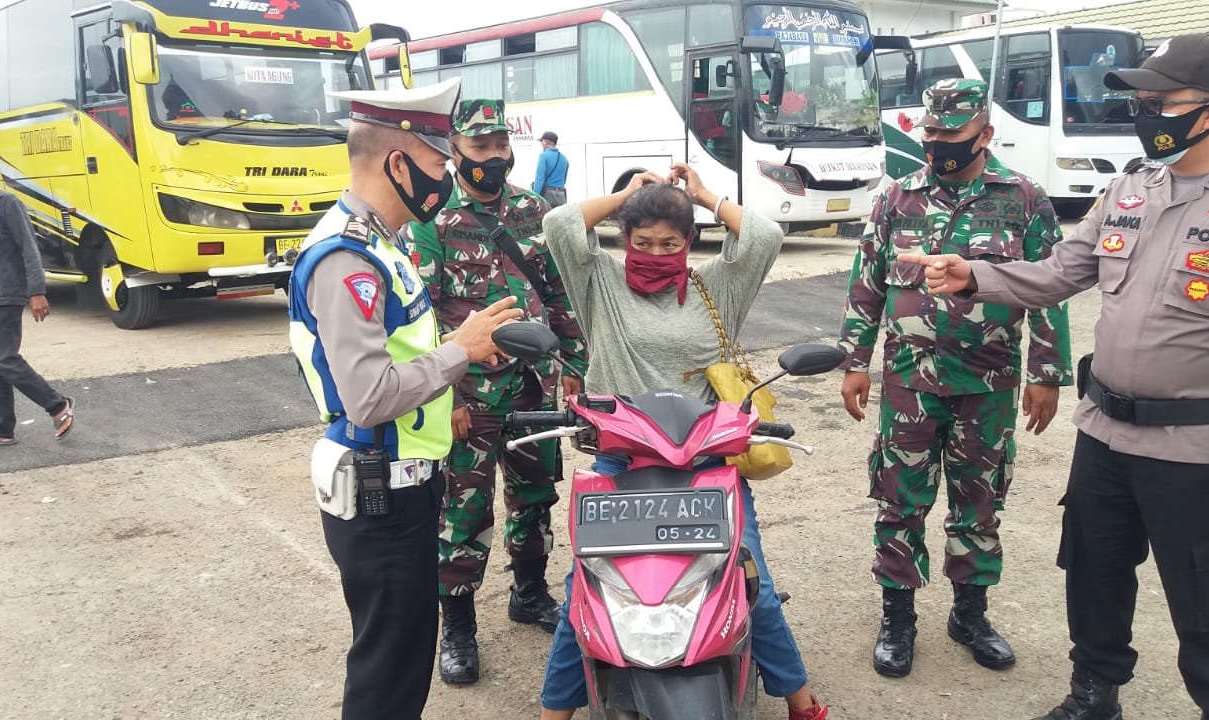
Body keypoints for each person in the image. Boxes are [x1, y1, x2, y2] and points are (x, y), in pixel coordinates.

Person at [900, 35, 1209, 720]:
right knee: (1094, 574)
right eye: (1142, 101)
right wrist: (974, 275)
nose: (1144, 114)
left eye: (1159, 102)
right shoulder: (1130, 189)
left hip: (1197, 452)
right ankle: (1094, 693)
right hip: (1104, 436)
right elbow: (1059, 274)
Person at [537, 164, 830, 720]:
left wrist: (703, 195)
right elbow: (558, 224)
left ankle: (799, 698)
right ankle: (555, 712)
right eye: (642, 242)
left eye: (669, 243)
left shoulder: (716, 284)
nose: (655, 253)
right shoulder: (599, 280)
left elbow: (765, 235)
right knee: (586, 590)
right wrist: (628, 194)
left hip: (705, 461)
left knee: (751, 583)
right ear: (624, 238)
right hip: (622, 458)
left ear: (689, 241)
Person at [286, 77, 523, 720]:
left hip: (404, 483)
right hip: (379, 491)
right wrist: (460, 352)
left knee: (404, 659)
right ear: (398, 164)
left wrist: (457, 347)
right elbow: (367, 396)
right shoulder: (347, 259)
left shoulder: (380, 243)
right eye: (438, 164)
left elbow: (393, 354)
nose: (447, 177)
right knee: (388, 675)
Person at [839, 78, 1073, 679]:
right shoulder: (898, 198)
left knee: (980, 502)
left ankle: (970, 615)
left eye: (953, 131)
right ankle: (898, 618)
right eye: (932, 130)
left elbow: (1050, 287)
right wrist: (854, 361)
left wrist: (1046, 371)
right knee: (900, 501)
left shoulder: (1024, 198)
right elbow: (867, 282)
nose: (939, 140)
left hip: (988, 382)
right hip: (909, 381)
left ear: (985, 134)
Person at [402, 99, 588, 686]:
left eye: (501, 145)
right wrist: (447, 397)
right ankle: (458, 629)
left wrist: (575, 361)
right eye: (480, 147)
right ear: (456, 151)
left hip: (533, 384)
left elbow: (558, 293)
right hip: (470, 393)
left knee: (534, 497)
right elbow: (422, 318)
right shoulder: (431, 221)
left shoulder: (535, 211)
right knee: (465, 510)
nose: (494, 156)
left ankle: (528, 594)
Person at [0, 188, 75, 447]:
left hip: (6, 293)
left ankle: (57, 405)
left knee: (4, 358)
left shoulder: (6, 203)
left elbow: (29, 248)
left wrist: (37, 291)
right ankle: (2, 429)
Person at [533, 131, 569, 208]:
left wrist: (534, 197)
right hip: (561, 195)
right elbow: (564, 180)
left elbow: (539, 179)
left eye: (541, 141)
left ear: (545, 142)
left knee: (547, 216)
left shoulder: (543, 156)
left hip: (548, 195)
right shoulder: (564, 158)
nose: (541, 143)